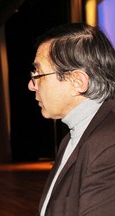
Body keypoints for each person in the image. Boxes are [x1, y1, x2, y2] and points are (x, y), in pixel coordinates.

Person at [28, 22, 115, 216]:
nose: (31, 85)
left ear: (77, 81)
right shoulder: (74, 136)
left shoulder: (109, 146)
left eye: (39, 74)